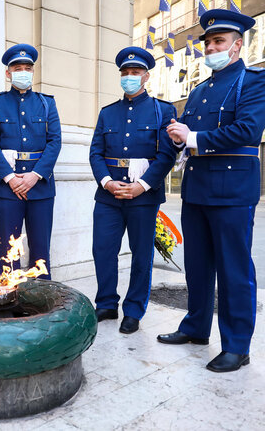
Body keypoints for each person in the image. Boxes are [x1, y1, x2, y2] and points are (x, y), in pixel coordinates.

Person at [158, 9, 265, 372]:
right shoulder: (199, 90)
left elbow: (248, 130)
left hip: (233, 190)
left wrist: (192, 137)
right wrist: (178, 138)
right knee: (196, 266)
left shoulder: (255, 81)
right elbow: (190, 140)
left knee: (233, 270)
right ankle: (195, 327)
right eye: (208, 42)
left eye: (218, 41)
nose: (211, 47)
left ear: (237, 45)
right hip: (196, 189)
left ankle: (237, 346)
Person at [89, 47, 177, 334]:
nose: (129, 77)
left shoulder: (163, 111)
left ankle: (134, 310)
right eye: (125, 73)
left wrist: (141, 186)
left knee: (141, 254)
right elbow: (96, 152)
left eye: (135, 73)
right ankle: (105, 303)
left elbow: (166, 156)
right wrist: (106, 181)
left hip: (143, 197)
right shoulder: (107, 113)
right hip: (108, 195)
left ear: (146, 76)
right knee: (103, 250)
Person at [0, 44, 61, 278]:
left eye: (28, 68)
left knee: (41, 250)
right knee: (8, 249)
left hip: (41, 186)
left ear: (33, 72)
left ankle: (43, 297)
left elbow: (55, 141)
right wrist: (10, 178)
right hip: (7, 187)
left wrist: (34, 176)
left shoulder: (47, 103)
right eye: (18, 68)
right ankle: (11, 298)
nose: (23, 72)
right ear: (8, 73)